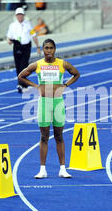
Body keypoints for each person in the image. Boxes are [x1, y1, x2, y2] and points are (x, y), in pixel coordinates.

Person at [18, 39, 80, 179]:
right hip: (44, 103)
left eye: (51, 48)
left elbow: (76, 74)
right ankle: (42, 170)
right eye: (46, 48)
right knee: (44, 137)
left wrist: (65, 85)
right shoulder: (38, 64)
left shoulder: (62, 63)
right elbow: (21, 76)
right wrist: (36, 86)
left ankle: (63, 169)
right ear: (43, 49)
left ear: (55, 49)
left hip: (58, 102)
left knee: (59, 136)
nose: (49, 51)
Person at [6, 7, 41, 93]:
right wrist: (9, 41)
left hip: (26, 47)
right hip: (17, 46)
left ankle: (21, 84)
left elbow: (34, 36)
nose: (19, 16)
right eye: (18, 15)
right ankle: (23, 84)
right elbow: (8, 37)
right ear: (15, 16)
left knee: (24, 66)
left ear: (24, 15)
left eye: (21, 14)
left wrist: (38, 47)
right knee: (18, 66)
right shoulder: (12, 25)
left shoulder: (28, 24)